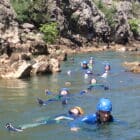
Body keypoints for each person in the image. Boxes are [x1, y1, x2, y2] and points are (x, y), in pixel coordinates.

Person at [5, 106, 84, 132]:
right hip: (54, 118)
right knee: (39, 122)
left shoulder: (75, 116)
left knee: (39, 124)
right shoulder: (67, 113)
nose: (73, 110)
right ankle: (17, 128)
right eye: (73, 109)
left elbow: (74, 121)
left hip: (57, 121)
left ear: (79, 112)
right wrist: (43, 117)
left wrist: (63, 118)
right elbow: (55, 115)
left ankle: (19, 129)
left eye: (76, 110)